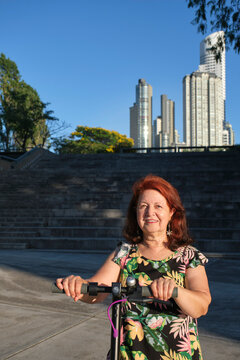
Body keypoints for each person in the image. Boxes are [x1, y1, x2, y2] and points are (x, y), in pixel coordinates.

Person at [56, 174, 211, 360]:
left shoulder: (189, 256)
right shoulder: (123, 253)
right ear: (135, 213)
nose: (149, 212)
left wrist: (176, 290)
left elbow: (201, 306)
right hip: (128, 354)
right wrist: (78, 286)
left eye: (158, 206)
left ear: (172, 212)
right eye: (143, 206)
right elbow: (97, 290)